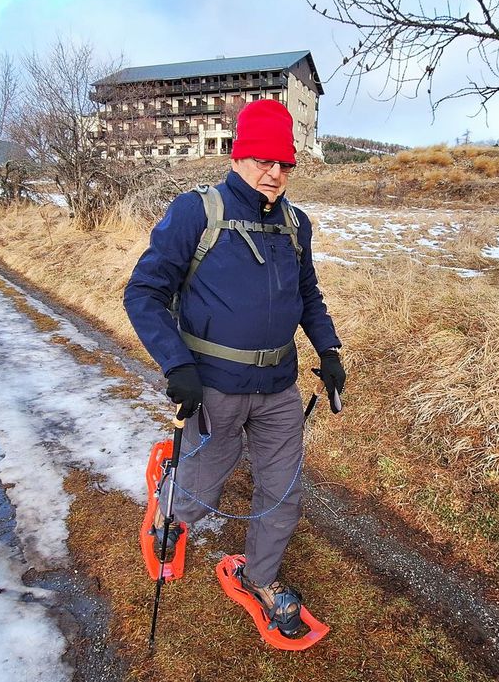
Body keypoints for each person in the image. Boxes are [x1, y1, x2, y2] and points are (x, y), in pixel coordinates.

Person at [123, 99, 346, 636]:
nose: (275, 173)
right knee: (203, 485)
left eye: (285, 163)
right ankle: (170, 517)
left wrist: (330, 350)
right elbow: (144, 292)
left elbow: (307, 294)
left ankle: (260, 579)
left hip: (279, 387)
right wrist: (177, 364)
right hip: (214, 385)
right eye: (263, 160)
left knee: (283, 487)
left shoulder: (296, 224)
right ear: (238, 155)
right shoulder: (197, 212)